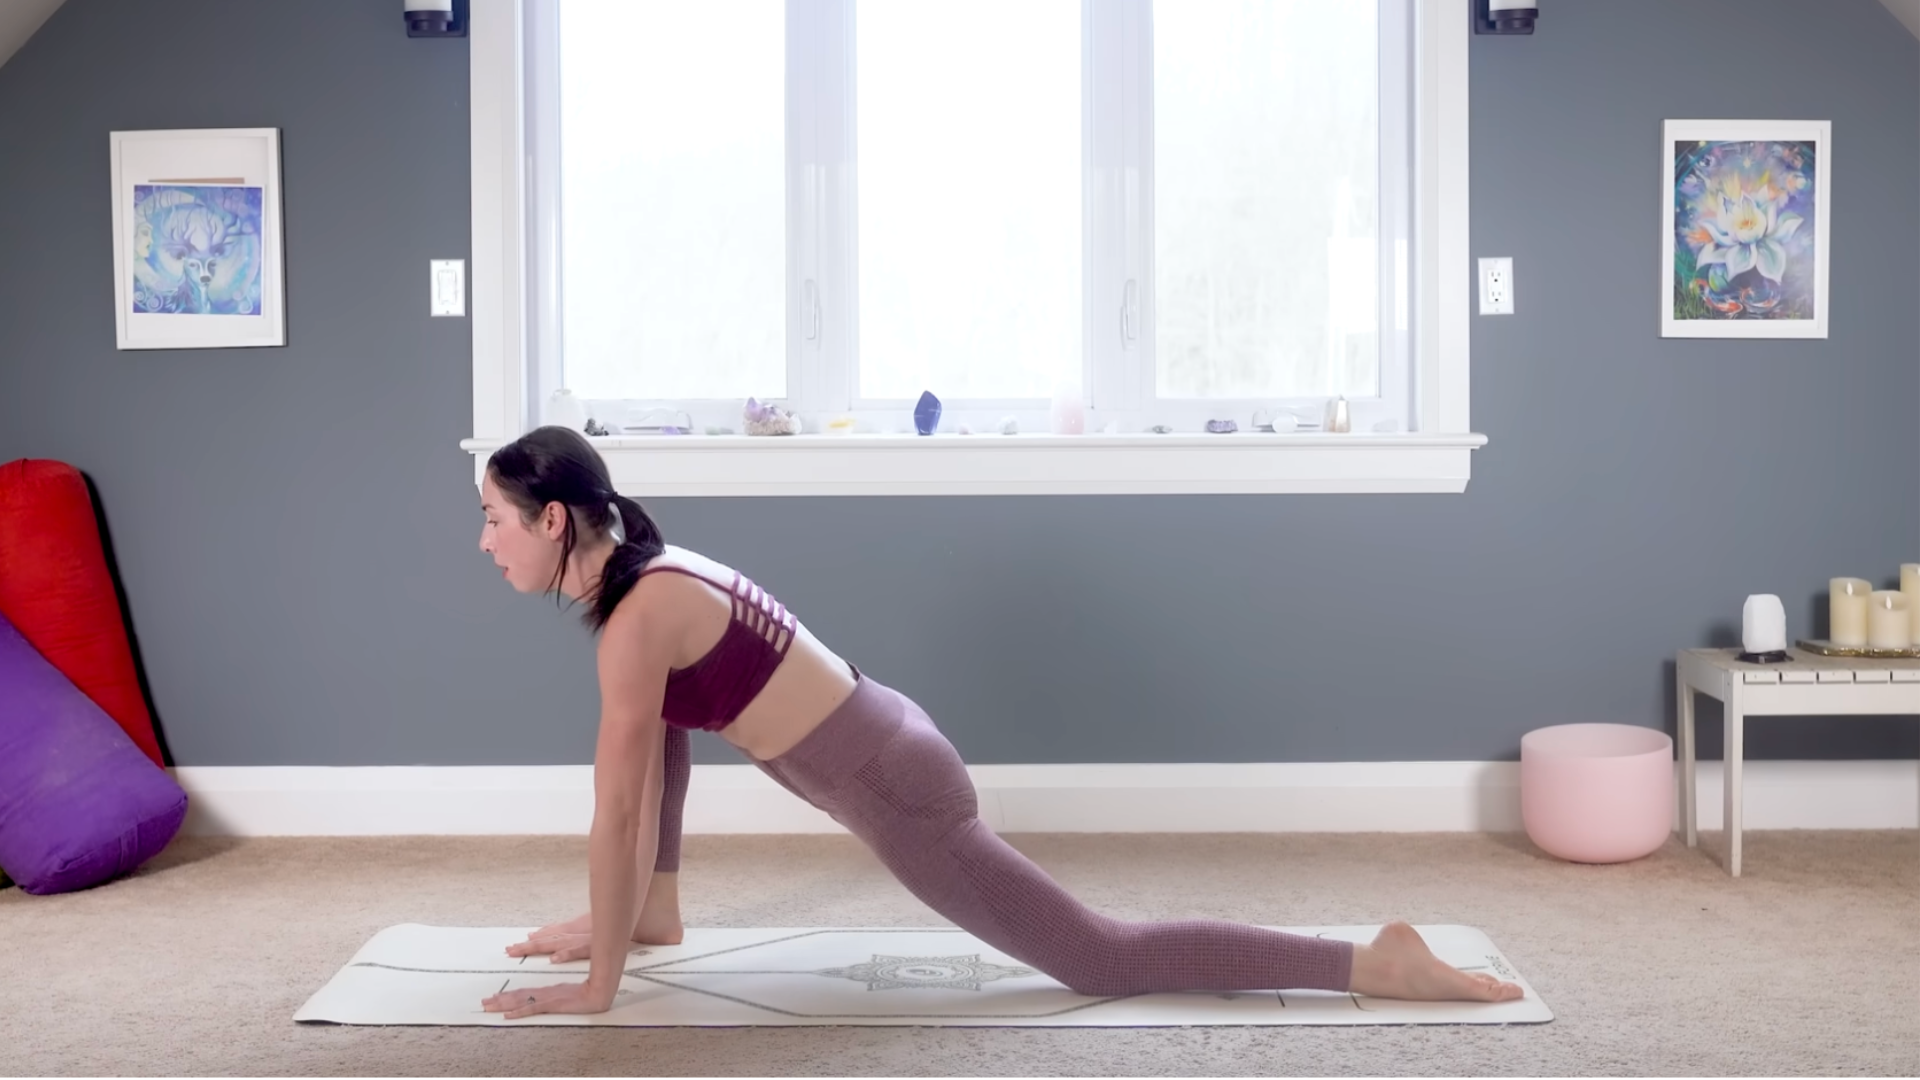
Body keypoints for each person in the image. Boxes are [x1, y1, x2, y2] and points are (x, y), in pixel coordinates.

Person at [474, 426, 1525, 1020]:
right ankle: (1368, 958)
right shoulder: (648, 589)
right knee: (1092, 951)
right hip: (894, 745)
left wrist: (599, 983)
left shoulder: (638, 616)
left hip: (902, 794)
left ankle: (1369, 962)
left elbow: (617, 811)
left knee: (1101, 961)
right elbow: (662, 751)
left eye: (492, 519)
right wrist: (643, 918)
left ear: (553, 519)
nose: (485, 542)